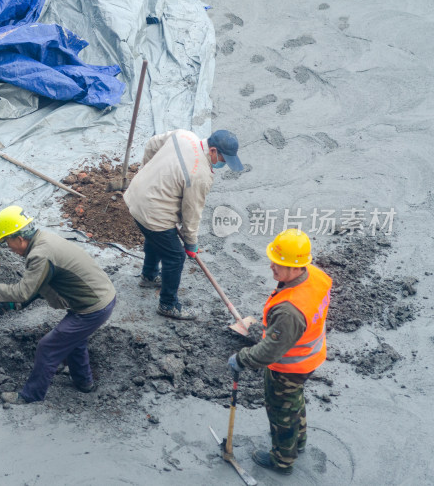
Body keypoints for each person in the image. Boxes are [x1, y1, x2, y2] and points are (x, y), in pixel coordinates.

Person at [0, 205, 116, 404]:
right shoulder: (44, 240)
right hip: (100, 298)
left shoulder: (40, 255)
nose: (9, 248)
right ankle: (84, 383)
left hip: (92, 308)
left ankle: (31, 396)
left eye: (7, 242)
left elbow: (23, 291)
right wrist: (17, 306)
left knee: (47, 347)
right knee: (74, 341)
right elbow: (42, 284)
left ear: (19, 238)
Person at [227, 229, 332, 475]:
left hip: (289, 366)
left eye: (280, 263)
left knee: (281, 411)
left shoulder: (289, 311)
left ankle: (283, 461)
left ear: (297, 268)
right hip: (310, 356)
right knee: (294, 401)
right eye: (274, 259)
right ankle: (299, 441)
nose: (272, 266)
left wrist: (242, 359)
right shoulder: (316, 275)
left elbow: (268, 352)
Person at [123, 129, 244, 320]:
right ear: (212, 150)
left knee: (156, 238)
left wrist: (146, 172)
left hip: (135, 195)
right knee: (175, 257)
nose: (224, 164)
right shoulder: (201, 175)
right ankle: (168, 305)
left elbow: (151, 144)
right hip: (152, 211)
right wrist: (190, 243)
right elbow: (191, 213)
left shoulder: (184, 135)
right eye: (223, 159)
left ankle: (148, 276)